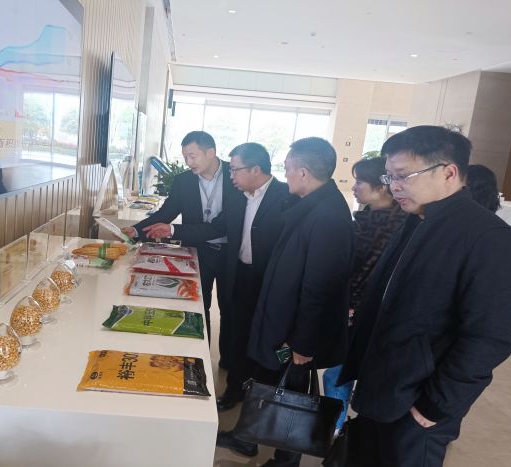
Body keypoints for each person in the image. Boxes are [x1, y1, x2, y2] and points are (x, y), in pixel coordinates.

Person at [339, 126, 511, 467]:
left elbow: (489, 338)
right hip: (382, 389)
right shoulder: (416, 220)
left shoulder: (491, 239)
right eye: (389, 176)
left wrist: (434, 405)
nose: (394, 186)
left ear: (449, 173)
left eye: (403, 176)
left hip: (417, 405)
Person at [217, 137, 354, 465]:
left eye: (288, 168)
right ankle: (246, 438)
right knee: (266, 376)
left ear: (303, 172)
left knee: (293, 391)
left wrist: (303, 343)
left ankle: (285, 459)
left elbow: (319, 288)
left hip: (296, 335)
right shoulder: (309, 205)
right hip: (280, 323)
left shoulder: (329, 217)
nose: (285, 174)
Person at [146, 142, 293, 411]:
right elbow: (216, 227)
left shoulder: (286, 197)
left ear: (255, 169)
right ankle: (235, 388)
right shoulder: (239, 196)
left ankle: (261, 399)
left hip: (271, 282)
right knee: (237, 332)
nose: (230, 175)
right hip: (241, 273)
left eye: (235, 170)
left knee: (263, 338)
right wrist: (173, 231)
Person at [121, 131, 241, 366]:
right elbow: (166, 213)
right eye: (185, 157)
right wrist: (137, 230)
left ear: (211, 152)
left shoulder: (235, 175)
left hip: (231, 254)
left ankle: (228, 361)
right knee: (198, 306)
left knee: (230, 308)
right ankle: (199, 359)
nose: (188, 162)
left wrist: (173, 230)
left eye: (192, 156)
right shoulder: (184, 180)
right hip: (197, 253)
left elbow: (223, 226)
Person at [322, 156, 407, 434]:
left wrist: (355, 305)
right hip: (350, 308)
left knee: (339, 373)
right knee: (338, 372)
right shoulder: (367, 218)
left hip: (369, 315)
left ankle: (334, 430)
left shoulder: (399, 227)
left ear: (382, 187)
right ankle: (334, 427)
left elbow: (378, 276)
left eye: (360, 182)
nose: (354, 187)